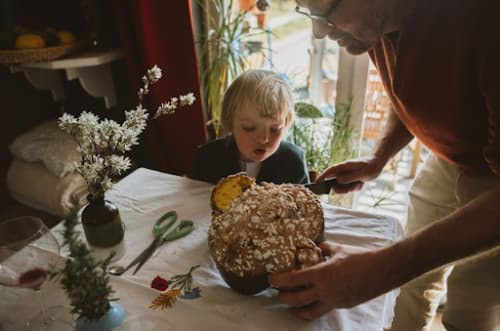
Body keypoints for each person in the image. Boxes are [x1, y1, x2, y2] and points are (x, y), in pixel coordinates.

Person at [268, 0, 500, 330]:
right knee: (412, 289)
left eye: (326, 11)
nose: (318, 32)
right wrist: (379, 158)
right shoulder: (374, 25)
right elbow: (411, 91)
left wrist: (384, 268)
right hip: (449, 159)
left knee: (470, 309)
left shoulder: (486, 20)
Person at [191, 69, 309, 185]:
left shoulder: (293, 161)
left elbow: (306, 201)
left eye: (275, 129)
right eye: (249, 128)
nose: (263, 138)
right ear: (230, 122)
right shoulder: (207, 158)